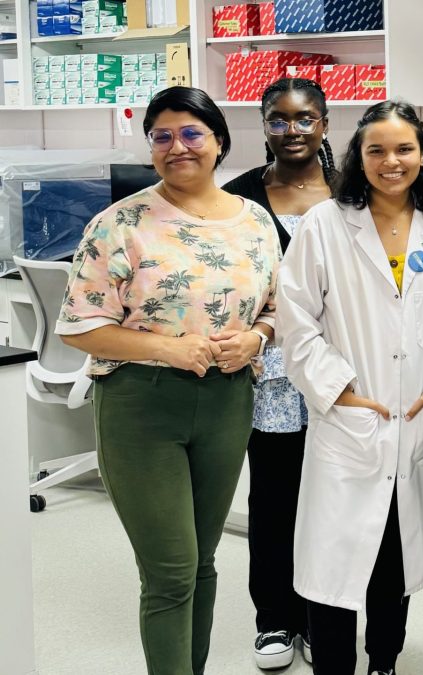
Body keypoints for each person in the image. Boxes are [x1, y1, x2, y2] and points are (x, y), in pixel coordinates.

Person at [55, 86, 280, 675]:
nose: (177, 147)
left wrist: (256, 338)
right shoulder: (120, 223)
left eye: (191, 133)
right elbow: (79, 326)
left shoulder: (255, 220)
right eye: (162, 136)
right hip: (141, 405)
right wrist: (168, 348)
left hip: (228, 401)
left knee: (202, 562)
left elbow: (277, 307)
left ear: (219, 141)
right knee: (171, 572)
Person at [275, 100, 423, 675]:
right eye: (377, 150)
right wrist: (338, 391)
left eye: (404, 149)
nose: (392, 161)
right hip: (347, 422)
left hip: (416, 419)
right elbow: (295, 320)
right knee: (332, 567)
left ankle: (384, 661)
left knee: (395, 557)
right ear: (357, 157)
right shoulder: (324, 225)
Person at [222, 76, 336, 670]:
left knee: (333, 500)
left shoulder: (352, 191)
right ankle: (274, 618)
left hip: (342, 371)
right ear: (263, 126)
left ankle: (323, 617)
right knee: (273, 499)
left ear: (324, 124)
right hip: (271, 375)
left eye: (304, 118)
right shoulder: (239, 198)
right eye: (278, 119)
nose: (292, 130)